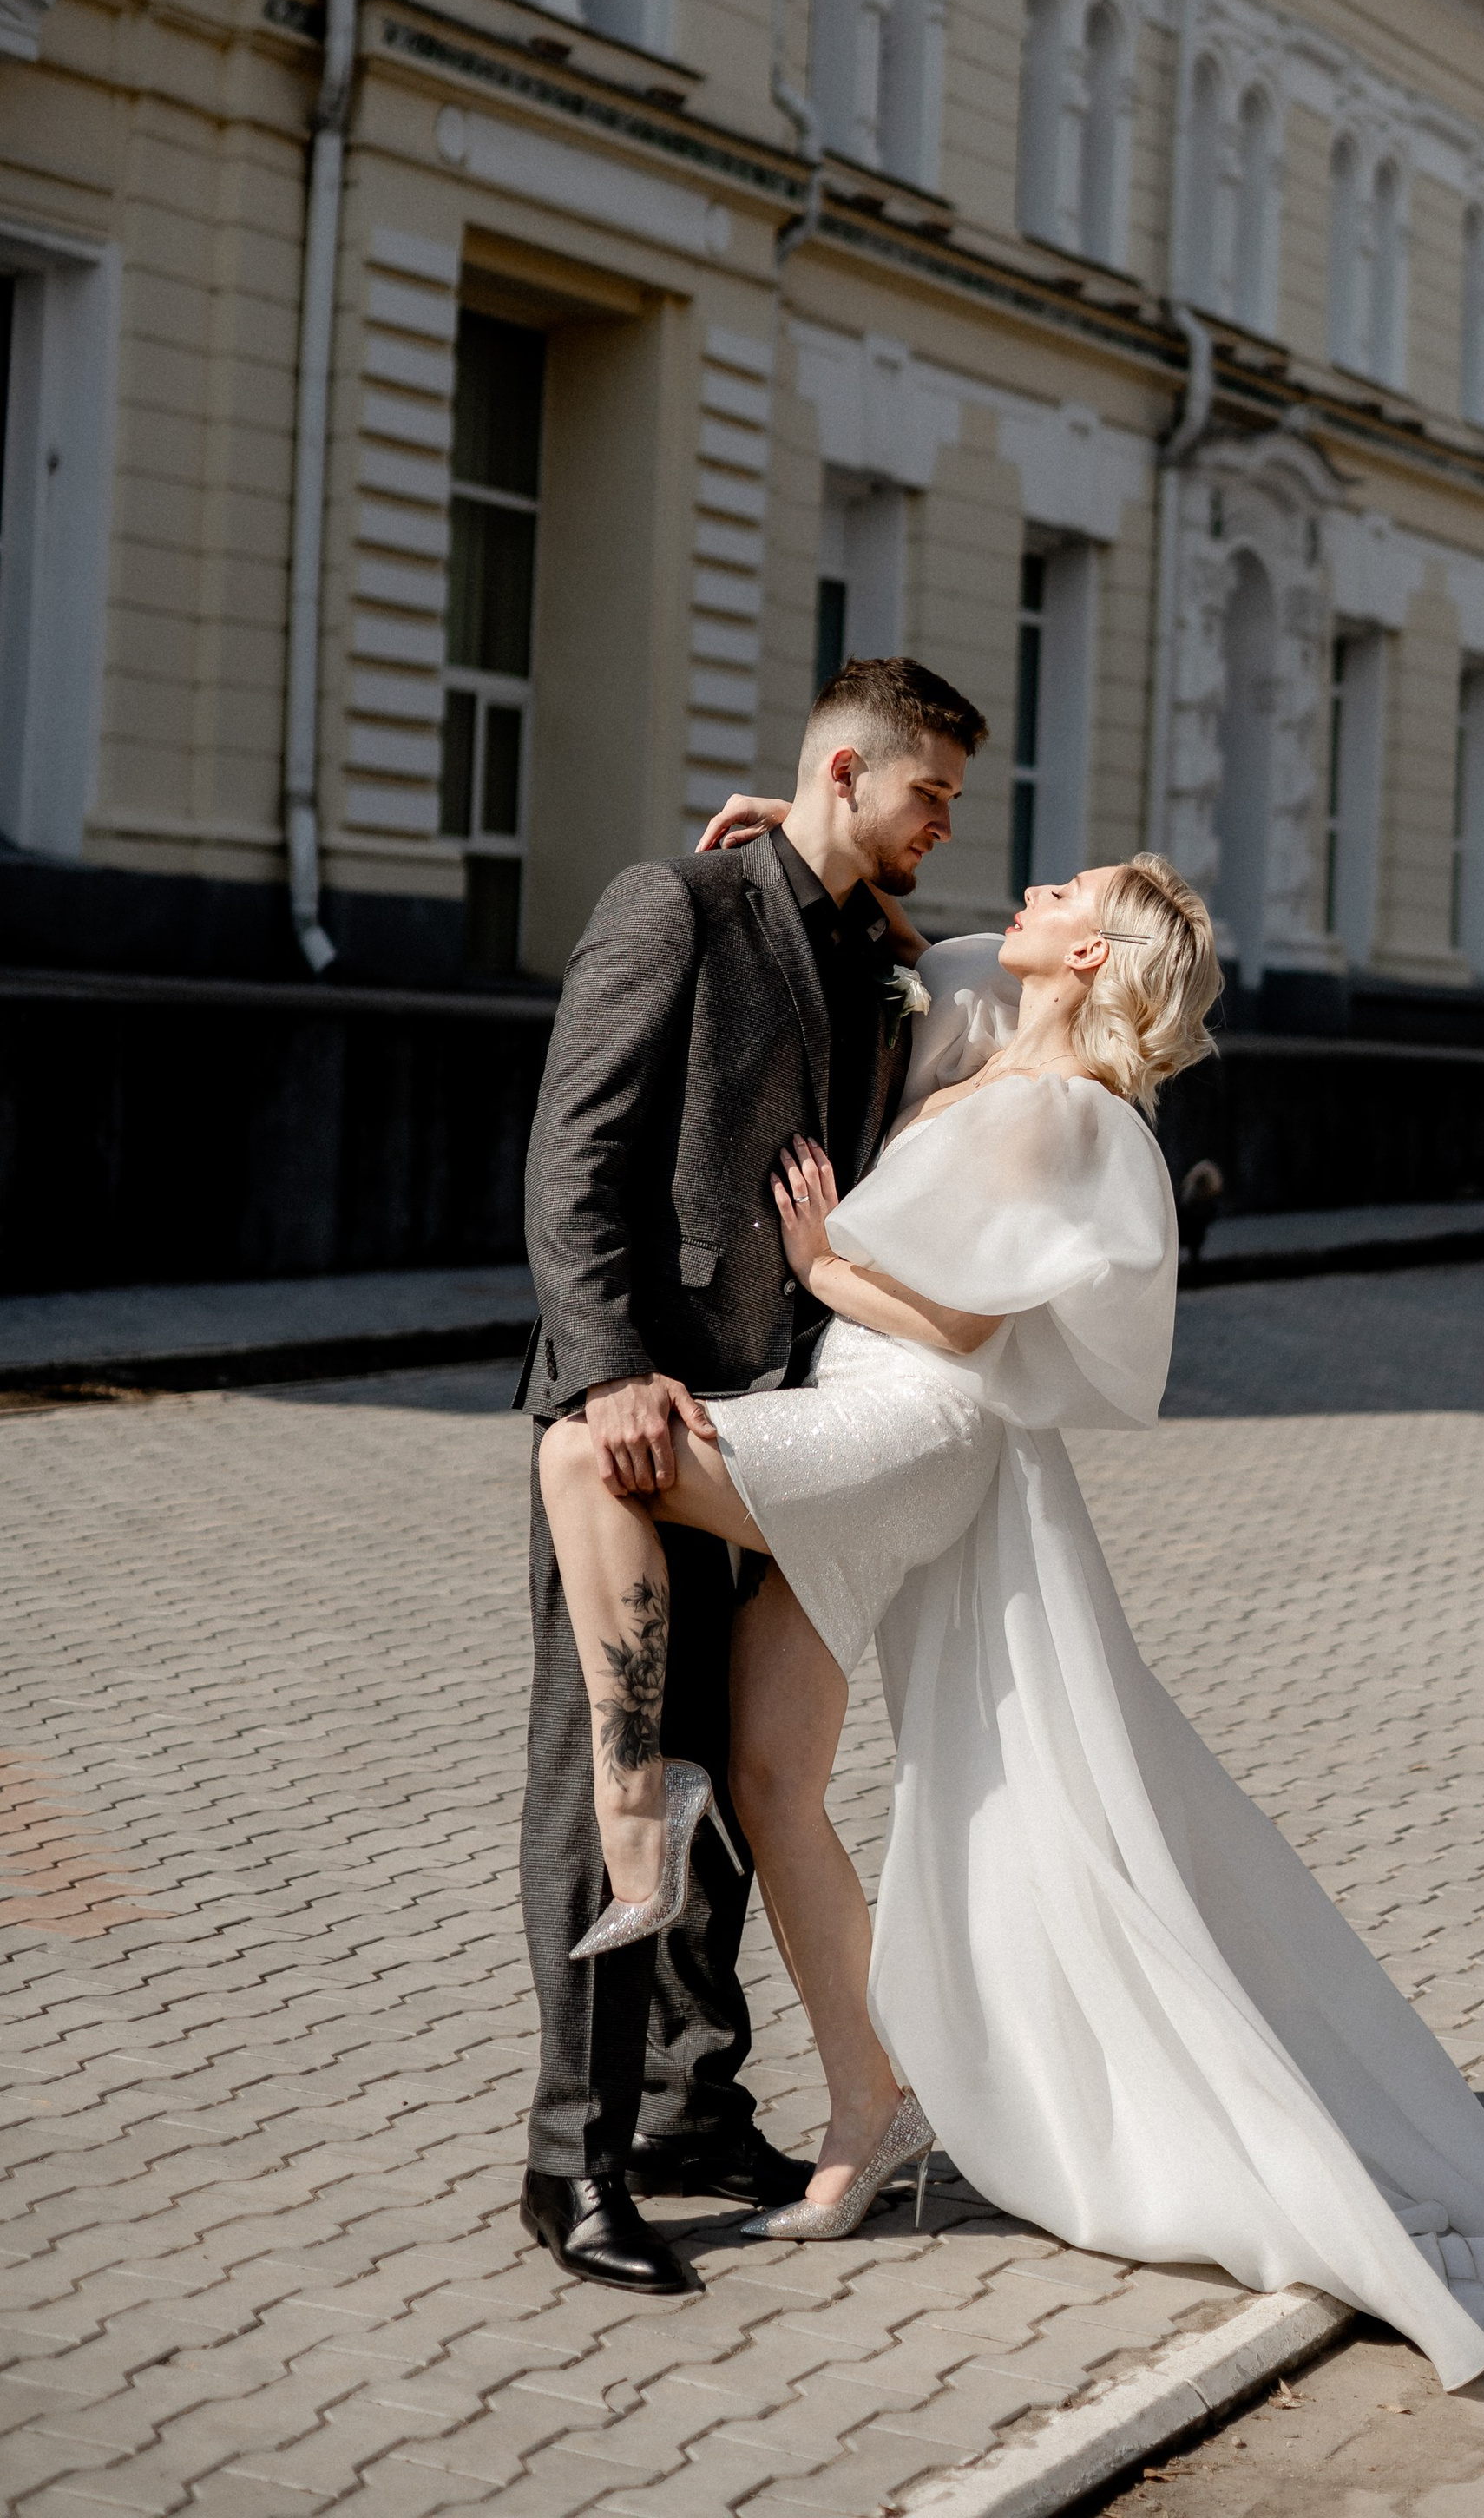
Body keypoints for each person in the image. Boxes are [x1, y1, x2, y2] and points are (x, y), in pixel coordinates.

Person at [534, 852, 1484, 2383]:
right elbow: (886, 911)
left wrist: (819, 1264)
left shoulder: (1064, 1113)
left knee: (587, 1449)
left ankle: (638, 1806)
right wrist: (788, 809)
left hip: (910, 1426)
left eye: (1072, 891)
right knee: (785, 1786)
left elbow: (968, 1326)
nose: (1036, 887)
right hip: (857, 1408)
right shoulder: (984, 1027)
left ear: (1100, 958)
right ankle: (868, 2105)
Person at [514, 654, 985, 2294]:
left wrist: (888, 923)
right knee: (616, 1776)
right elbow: (575, 1157)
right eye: (930, 793)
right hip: (644, 1430)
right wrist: (606, 1369)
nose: (946, 824)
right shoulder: (675, 907)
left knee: (731, 1788)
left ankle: (691, 2111)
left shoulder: (879, 959)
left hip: (788, 1441)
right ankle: (571, 2164)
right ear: (845, 772)